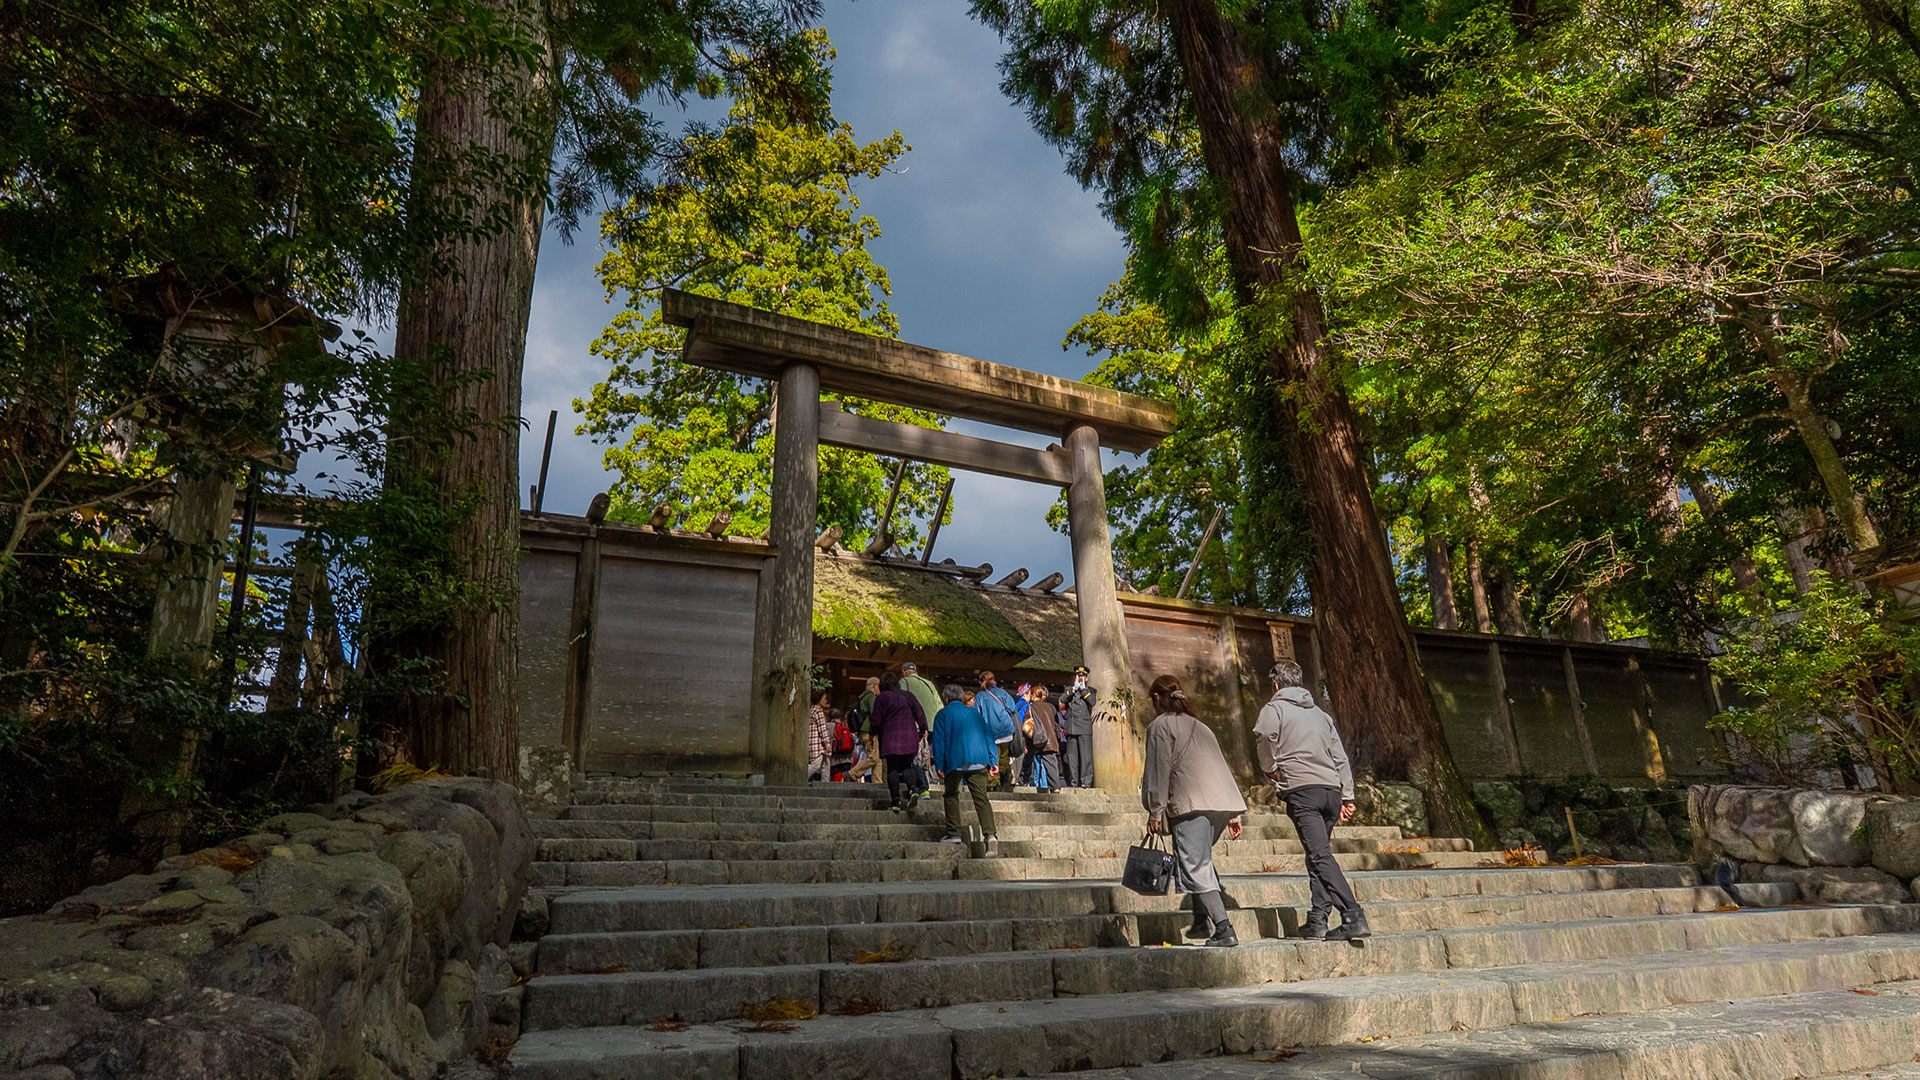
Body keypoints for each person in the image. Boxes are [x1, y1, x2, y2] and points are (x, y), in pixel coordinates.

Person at [1252, 659, 1369, 941]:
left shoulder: (1274, 709)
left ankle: (1352, 914)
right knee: (1317, 854)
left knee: (1319, 855)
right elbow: (1339, 756)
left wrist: (1270, 768)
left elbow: (1265, 736)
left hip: (1302, 790)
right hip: (1330, 791)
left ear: (1276, 685)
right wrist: (1348, 795)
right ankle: (1318, 919)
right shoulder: (1321, 715)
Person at [1141, 674, 1247, 948]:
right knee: (1198, 859)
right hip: (1220, 802)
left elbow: (1158, 770)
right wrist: (1234, 814)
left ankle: (1224, 928)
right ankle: (1201, 921)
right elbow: (1219, 765)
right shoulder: (1202, 726)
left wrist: (1155, 811)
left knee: (1195, 864)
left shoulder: (1159, 726)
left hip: (1191, 802)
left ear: (1156, 698)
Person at [930, 683, 1000, 852]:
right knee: (981, 798)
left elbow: (939, 741)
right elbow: (988, 735)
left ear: (945, 698)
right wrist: (993, 760)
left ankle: (954, 832)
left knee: (951, 795)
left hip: (955, 759)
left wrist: (939, 763)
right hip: (979, 758)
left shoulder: (942, 714)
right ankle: (990, 834)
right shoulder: (975, 713)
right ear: (962, 697)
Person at [871, 670, 929, 811]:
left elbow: (876, 720)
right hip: (910, 737)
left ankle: (896, 801)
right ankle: (913, 790)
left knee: (893, 769)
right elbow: (919, 713)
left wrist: (872, 734)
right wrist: (923, 729)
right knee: (907, 766)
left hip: (891, 738)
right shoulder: (908, 696)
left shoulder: (882, 698)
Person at [974, 671, 1020, 791]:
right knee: (1004, 757)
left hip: (990, 732)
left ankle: (994, 783)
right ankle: (1005, 778)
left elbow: (976, 714)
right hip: (1005, 729)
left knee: (992, 758)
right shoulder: (1003, 693)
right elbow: (1012, 708)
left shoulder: (980, 696)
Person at [1059, 664, 1097, 788]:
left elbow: (1092, 701)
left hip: (1084, 726)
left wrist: (1083, 690)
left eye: (1083, 676)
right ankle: (1073, 782)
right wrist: (1073, 690)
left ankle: (1086, 782)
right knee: (1072, 757)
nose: (1080, 678)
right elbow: (1063, 700)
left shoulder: (1090, 690)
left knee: (1086, 757)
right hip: (1071, 727)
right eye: (1078, 676)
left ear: (1086, 678)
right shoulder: (1069, 689)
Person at [1022, 684, 1061, 791]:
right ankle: (1055, 786)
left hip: (1038, 739)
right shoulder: (1049, 707)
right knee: (1051, 763)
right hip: (1050, 739)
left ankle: (1026, 780)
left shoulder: (1031, 707)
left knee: (1029, 761)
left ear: (1033, 695)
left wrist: (1027, 744)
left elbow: (1027, 726)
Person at [847, 676, 882, 783]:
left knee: (877, 758)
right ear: (875, 686)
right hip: (869, 731)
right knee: (874, 757)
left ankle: (877, 782)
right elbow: (874, 713)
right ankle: (854, 773)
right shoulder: (871, 697)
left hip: (862, 732)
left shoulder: (862, 697)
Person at [806, 687, 834, 782]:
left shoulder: (811, 710)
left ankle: (825, 784)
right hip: (818, 743)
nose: (826, 700)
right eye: (824, 698)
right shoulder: (818, 711)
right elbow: (822, 728)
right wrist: (827, 742)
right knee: (816, 764)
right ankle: (800, 778)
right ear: (819, 698)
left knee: (826, 764)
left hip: (813, 741)